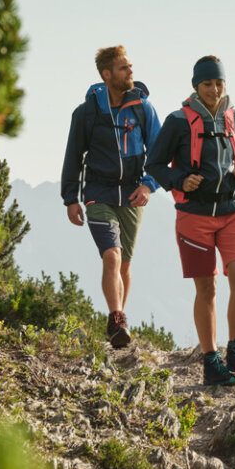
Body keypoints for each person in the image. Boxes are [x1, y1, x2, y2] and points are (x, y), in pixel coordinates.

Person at [146, 55, 235, 386]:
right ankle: (211, 361)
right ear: (196, 86)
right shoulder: (178, 121)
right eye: (207, 83)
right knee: (206, 287)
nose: (214, 88)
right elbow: (155, 165)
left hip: (234, 209)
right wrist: (179, 180)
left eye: (219, 82)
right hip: (194, 216)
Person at [60, 45, 161, 349]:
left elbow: (158, 152)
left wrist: (148, 185)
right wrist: (71, 198)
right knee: (112, 256)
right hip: (98, 193)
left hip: (132, 194)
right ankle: (117, 318)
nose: (131, 72)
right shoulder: (87, 112)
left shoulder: (143, 108)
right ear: (107, 74)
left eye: (130, 67)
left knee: (124, 265)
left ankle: (117, 323)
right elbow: (73, 156)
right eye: (123, 68)